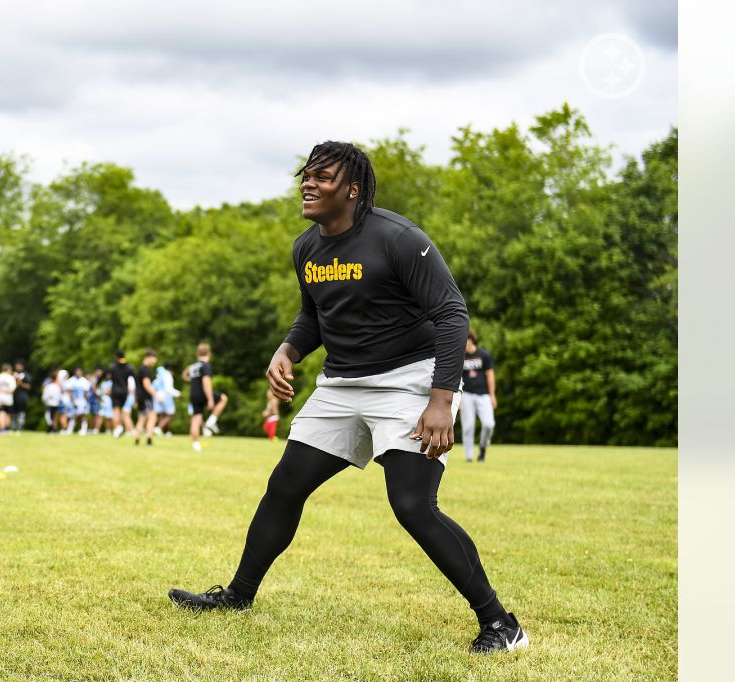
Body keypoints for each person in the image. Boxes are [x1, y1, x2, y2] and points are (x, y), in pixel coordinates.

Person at [168, 141, 527, 654]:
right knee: (284, 486)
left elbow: (452, 314)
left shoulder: (398, 239)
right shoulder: (306, 247)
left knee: (412, 505)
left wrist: (441, 400)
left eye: (322, 177)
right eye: (305, 176)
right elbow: (315, 316)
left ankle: (501, 623)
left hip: (409, 381)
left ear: (353, 190)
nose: (307, 184)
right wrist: (288, 350)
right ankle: (238, 596)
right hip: (341, 384)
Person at [460, 329, 497, 462]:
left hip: (483, 395)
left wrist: (492, 395)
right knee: (468, 426)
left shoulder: (484, 355)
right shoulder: (460, 356)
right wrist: (457, 399)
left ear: (472, 340)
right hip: (466, 395)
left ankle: (482, 446)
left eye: (467, 340)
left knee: (489, 424)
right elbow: (455, 378)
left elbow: (490, 376)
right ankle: (469, 457)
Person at [184, 343, 216, 451]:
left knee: (195, 419)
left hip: (193, 394)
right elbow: (206, 382)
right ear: (209, 353)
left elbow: (184, 376)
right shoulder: (206, 365)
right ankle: (211, 422)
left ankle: (196, 444)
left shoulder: (193, 366)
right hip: (203, 394)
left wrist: (193, 380)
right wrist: (210, 398)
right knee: (223, 398)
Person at [105, 350, 136, 438]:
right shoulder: (128, 367)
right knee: (123, 411)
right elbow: (135, 377)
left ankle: (117, 428)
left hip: (115, 391)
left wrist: (96, 384)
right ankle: (123, 429)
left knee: (116, 411)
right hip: (125, 392)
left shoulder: (113, 366)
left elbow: (103, 374)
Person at [134, 349, 159, 445]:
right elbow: (146, 384)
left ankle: (137, 438)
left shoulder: (141, 369)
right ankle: (149, 438)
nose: (154, 362)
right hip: (145, 398)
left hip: (140, 398)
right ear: (149, 357)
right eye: (154, 359)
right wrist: (156, 395)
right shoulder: (145, 370)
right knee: (152, 417)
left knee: (142, 418)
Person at [0, 364, 17, 433]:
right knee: (8, 414)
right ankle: (7, 429)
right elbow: (12, 390)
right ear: (9, 370)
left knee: (0, 413)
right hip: (8, 399)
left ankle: (1, 430)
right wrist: (5, 390)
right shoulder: (11, 378)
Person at [11, 359, 31, 433]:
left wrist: (19, 381)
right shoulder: (12, 373)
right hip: (13, 396)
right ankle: (14, 427)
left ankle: (20, 427)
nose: (18, 366)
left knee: (21, 412)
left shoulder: (26, 375)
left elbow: (29, 386)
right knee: (13, 412)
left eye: (19, 365)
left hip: (22, 396)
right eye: (17, 365)